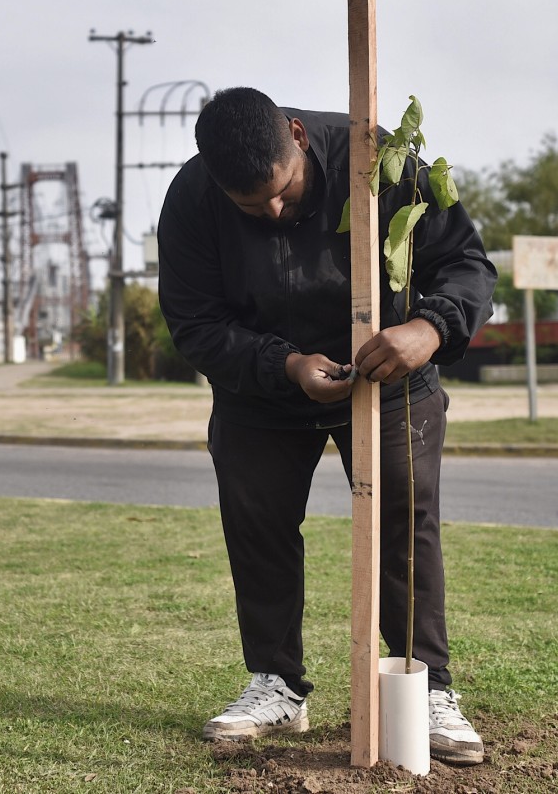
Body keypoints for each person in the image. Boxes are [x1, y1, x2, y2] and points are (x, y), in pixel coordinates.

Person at [156, 87, 497, 765]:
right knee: (257, 524)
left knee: (405, 517)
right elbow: (194, 324)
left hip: (393, 369)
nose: (273, 212)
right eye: (251, 207)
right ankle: (277, 683)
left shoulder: (382, 161)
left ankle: (424, 685)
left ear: (299, 137)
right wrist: (283, 363)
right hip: (266, 385)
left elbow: (467, 264)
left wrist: (428, 328)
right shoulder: (193, 198)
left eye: (281, 192)